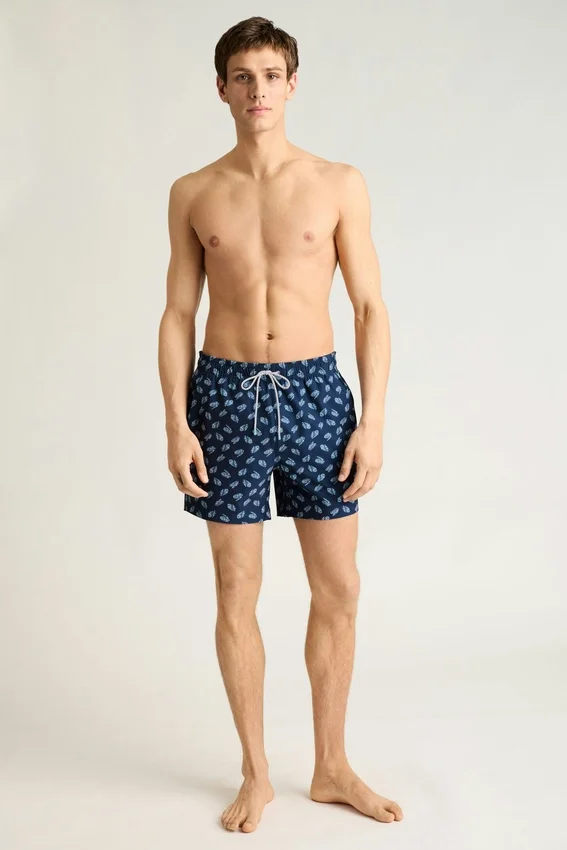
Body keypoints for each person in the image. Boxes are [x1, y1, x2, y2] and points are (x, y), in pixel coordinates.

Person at [157, 15, 402, 834]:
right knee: (236, 589)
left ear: (292, 85)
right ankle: (256, 774)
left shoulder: (337, 183)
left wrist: (372, 420)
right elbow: (177, 313)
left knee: (339, 587)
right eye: (242, 76)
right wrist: (175, 422)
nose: (257, 90)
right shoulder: (193, 191)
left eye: (270, 75)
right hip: (224, 396)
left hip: (316, 395)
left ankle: (330, 766)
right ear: (221, 88)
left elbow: (369, 308)